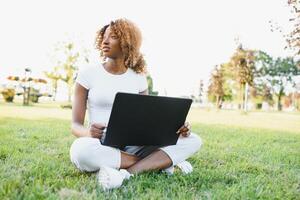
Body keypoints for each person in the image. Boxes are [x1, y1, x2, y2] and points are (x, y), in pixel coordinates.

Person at [70, 18, 202, 190]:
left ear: (127, 43)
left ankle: (126, 173)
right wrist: (88, 132)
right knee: (80, 151)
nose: (105, 40)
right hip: (101, 144)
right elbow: (75, 125)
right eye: (105, 36)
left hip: (133, 146)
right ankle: (160, 164)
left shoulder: (138, 78)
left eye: (113, 36)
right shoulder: (88, 74)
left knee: (193, 140)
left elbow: (148, 120)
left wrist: (177, 127)